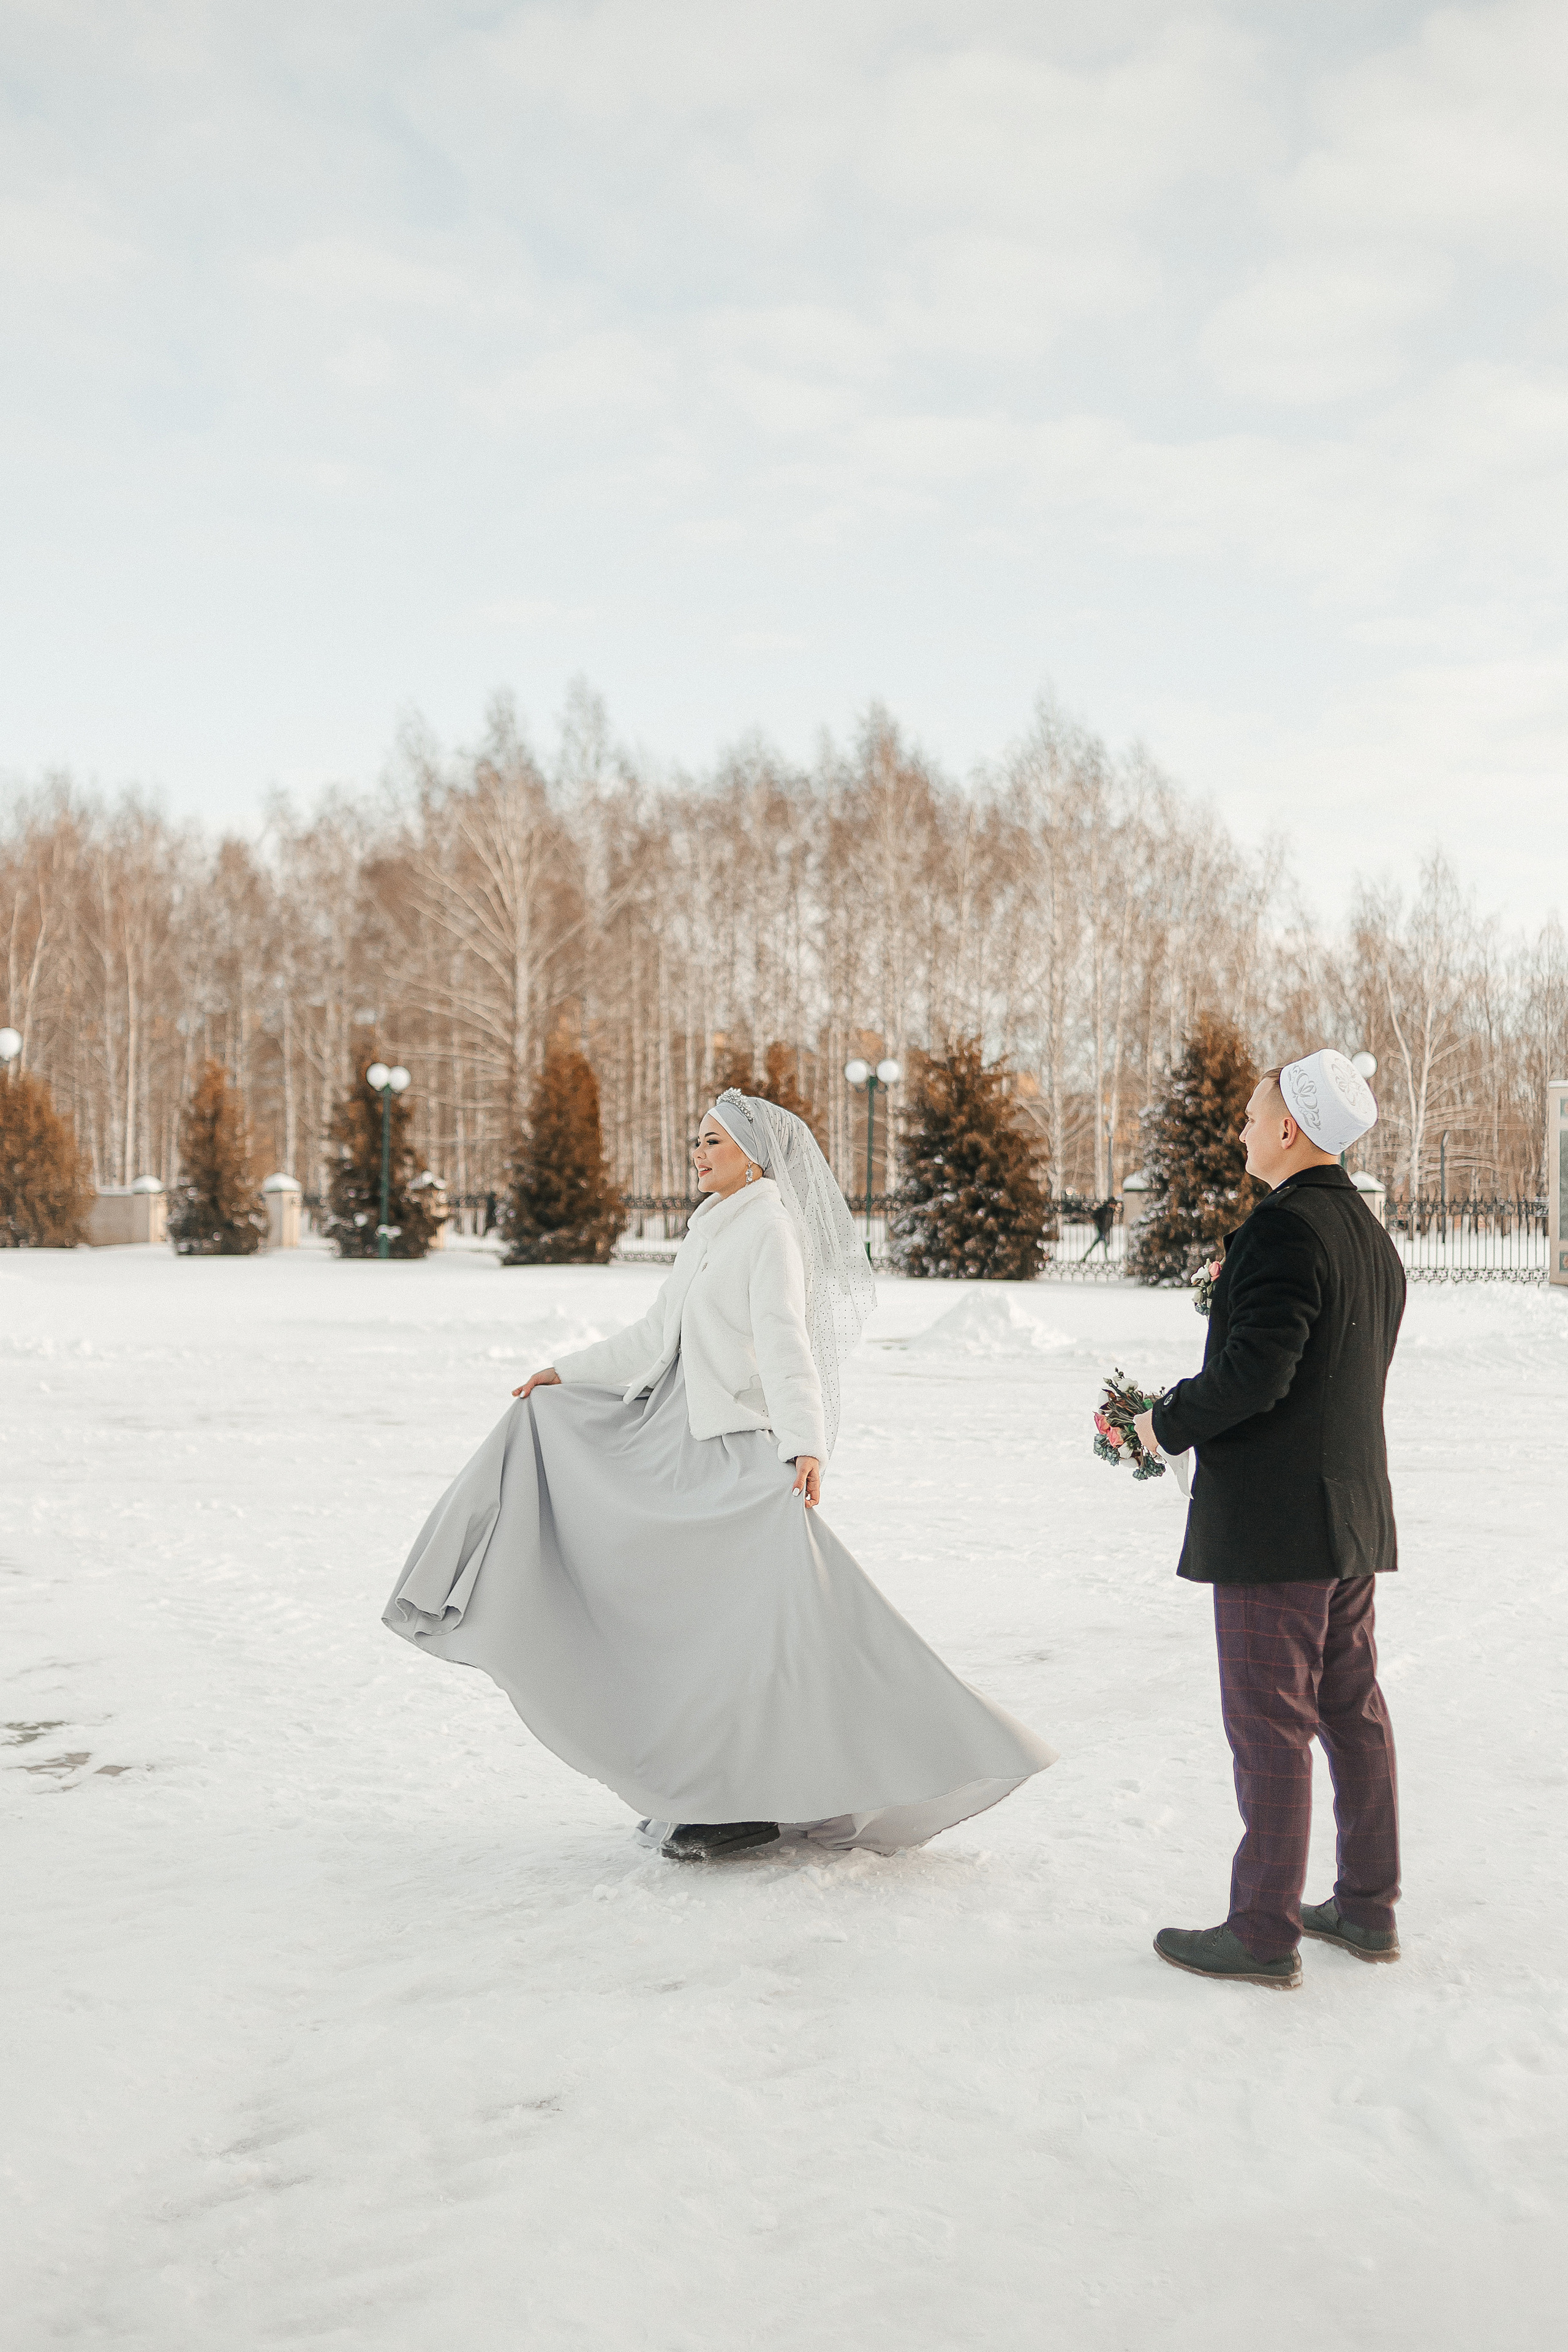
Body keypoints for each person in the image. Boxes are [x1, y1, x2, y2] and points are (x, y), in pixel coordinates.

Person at [384, 1087, 1055, 1860]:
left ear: (753, 1156)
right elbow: (651, 1336)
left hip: (729, 1449)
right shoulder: (711, 1225)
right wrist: (562, 1374)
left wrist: (805, 1444)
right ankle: (701, 1790)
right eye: (695, 1140)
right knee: (666, 1606)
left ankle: (758, 1800)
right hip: (670, 1438)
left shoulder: (768, 1228)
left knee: (744, 1635)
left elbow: (783, 1341)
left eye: (711, 1141)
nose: (696, 1153)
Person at [1133, 1049, 1406, 1991]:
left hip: (1277, 1532)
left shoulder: (1286, 1232)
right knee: (1350, 1710)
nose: (1243, 1132)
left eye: (1252, 1119)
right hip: (1348, 1519)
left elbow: (1259, 1374)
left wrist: (1163, 1421)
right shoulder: (1369, 1236)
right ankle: (1368, 1908)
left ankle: (1262, 1931)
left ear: (1290, 1128)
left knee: (1271, 1725)